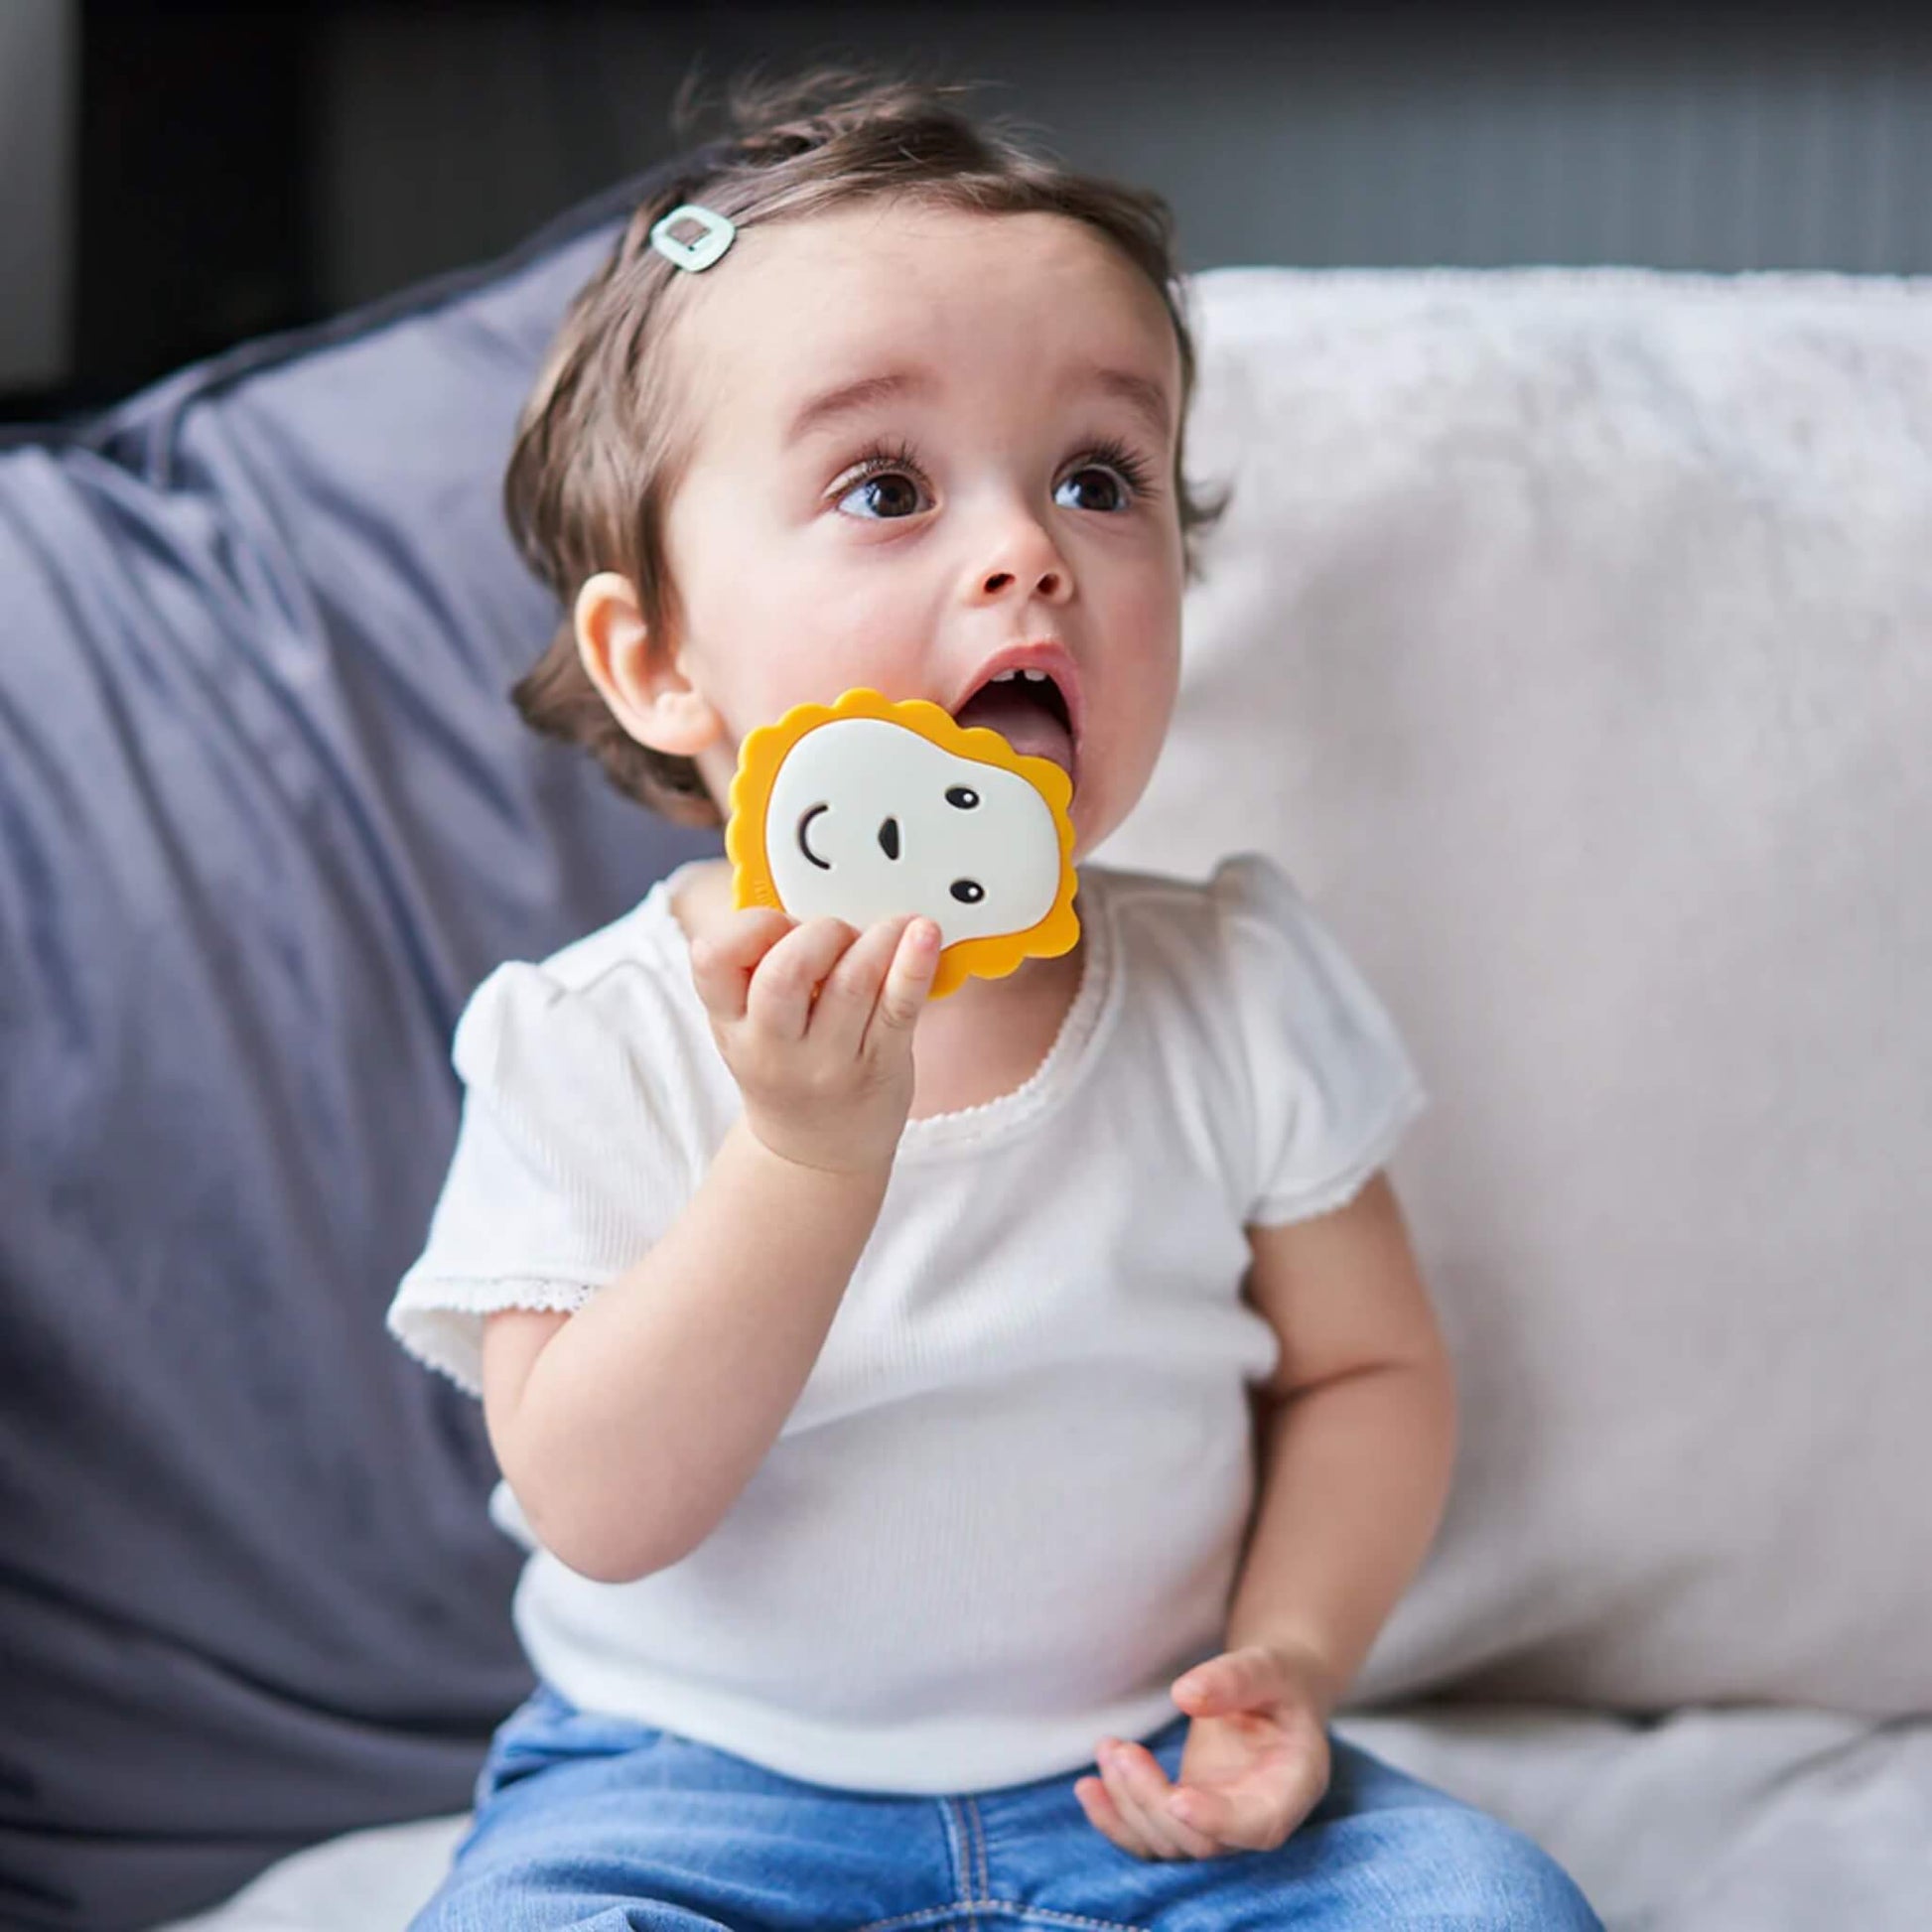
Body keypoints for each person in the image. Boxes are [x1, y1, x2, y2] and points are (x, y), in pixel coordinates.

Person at [386, 62, 1604, 1931]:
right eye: (883, 486)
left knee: (1488, 1904)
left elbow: (1368, 1371)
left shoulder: (1230, 985)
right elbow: (600, 1509)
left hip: (1142, 1778)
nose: (1028, 549)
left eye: (1098, 479)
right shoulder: (587, 1037)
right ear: (657, 659)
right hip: (691, 1784)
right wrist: (805, 1156)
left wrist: (1288, 1658)